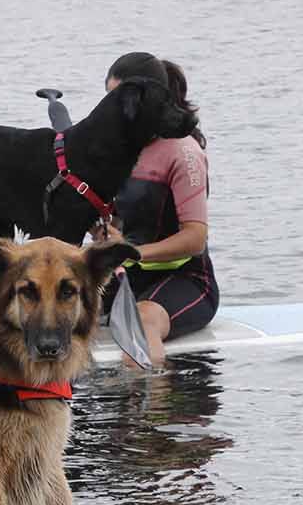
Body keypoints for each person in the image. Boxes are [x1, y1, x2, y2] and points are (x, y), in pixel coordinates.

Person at [91, 52, 218, 366]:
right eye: (109, 99)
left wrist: (130, 251)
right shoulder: (112, 147)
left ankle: (150, 412)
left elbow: (195, 239)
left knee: (142, 321)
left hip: (187, 280)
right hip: (125, 276)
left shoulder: (183, 152)